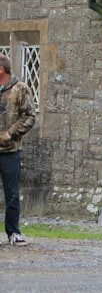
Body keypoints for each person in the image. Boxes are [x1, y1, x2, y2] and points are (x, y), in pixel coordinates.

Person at [0, 53, 36, 246]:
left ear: (1, 69)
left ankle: (13, 232)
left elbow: (30, 116)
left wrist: (11, 133)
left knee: (12, 193)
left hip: (10, 152)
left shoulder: (19, 89)